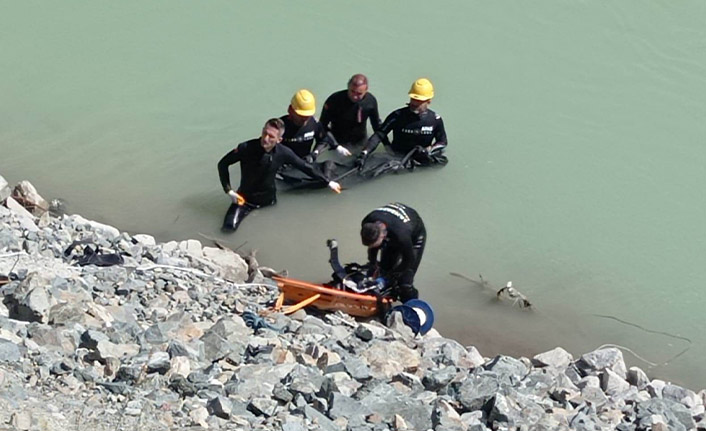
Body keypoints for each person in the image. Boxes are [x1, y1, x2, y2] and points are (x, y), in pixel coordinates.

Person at [217, 118, 341, 231]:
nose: (265, 138)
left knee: (274, 230)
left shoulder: (284, 153)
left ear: (279, 140)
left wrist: (328, 181)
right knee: (228, 228)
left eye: (271, 136)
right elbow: (222, 164)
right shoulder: (245, 148)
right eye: (264, 133)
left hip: (269, 200)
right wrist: (229, 191)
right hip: (243, 200)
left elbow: (305, 167)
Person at [356, 78, 447, 169]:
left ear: (429, 101)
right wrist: (365, 153)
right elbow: (379, 134)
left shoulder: (435, 120)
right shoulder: (397, 116)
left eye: (419, 101)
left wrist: (428, 150)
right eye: (413, 99)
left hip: (420, 159)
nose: (414, 103)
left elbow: (442, 142)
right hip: (396, 158)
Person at [360, 203, 426, 302]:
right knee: (384, 268)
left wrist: (394, 275)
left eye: (375, 244)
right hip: (391, 224)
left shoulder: (401, 235)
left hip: (414, 236)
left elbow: (409, 259)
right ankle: (383, 300)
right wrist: (372, 263)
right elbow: (373, 248)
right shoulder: (367, 221)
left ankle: (412, 306)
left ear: (382, 236)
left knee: (405, 283)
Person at [281, 89, 351, 163]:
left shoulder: (314, 123)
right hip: (283, 166)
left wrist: (314, 154)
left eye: (307, 115)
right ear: (291, 110)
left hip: (304, 163)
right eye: (301, 115)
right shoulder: (279, 126)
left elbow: (323, 140)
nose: (304, 119)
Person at [319, 74, 381, 149]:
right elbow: (322, 125)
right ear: (348, 86)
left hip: (360, 142)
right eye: (352, 91)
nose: (355, 96)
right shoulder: (334, 100)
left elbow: (376, 126)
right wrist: (335, 145)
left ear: (366, 89)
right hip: (337, 142)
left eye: (359, 93)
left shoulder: (370, 101)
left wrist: (386, 145)